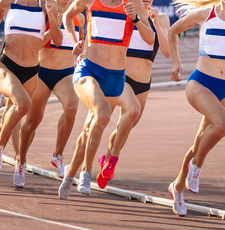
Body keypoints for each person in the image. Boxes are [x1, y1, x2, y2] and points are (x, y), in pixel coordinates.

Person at [167, 0, 225, 216]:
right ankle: (197, 167)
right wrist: (176, 62)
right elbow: (173, 31)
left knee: (199, 142)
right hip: (201, 83)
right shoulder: (205, 14)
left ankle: (178, 186)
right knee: (223, 124)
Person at [58, 0, 155, 199]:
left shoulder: (133, 3)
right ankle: (86, 172)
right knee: (102, 114)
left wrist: (135, 19)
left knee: (90, 129)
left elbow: (150, 38)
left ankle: (69, 175)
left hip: (116, 77)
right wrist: (75, 39)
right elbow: (68, 16)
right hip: (89, 70)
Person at [0, 0, 63, 190]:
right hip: (7, 66)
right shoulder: (9, 1)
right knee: (24, 105)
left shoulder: (47, 4)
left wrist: (51, 16)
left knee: (8, 118)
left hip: (31, 72)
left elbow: (57, 40)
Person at [96, 0, 171, 189]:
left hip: (144, 83)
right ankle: (112, 160)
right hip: (123, 78)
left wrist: (155, 24)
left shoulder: (161, 18)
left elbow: (167, 51)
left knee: (126, 125)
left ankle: (105, 160)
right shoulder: (124, 12)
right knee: (132, 113)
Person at [18, 0, 85, 179]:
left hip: (65, 73)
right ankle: (21, 161)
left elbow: (83, 44)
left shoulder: (79, 17)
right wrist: (54, 22)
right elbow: (36, 44)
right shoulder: (43, 12)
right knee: (32, 121)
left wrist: (82, 52)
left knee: (71, 107)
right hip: (41, 73)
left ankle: (57, 155)